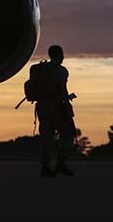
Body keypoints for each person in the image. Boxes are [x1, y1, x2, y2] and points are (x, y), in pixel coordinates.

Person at [36, 45, 77, 178]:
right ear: (59, 55)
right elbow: (62, 90)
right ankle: (61, 162)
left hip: (42, 106)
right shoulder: (61, 71)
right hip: (57, 107)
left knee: (46, 136)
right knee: (67, 133)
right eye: (62, 54)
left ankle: (45, 166)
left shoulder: (40, 69)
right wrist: (67, 104)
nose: (63, 57)